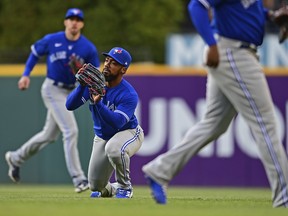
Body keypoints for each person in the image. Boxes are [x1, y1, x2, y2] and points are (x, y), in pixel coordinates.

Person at [142, 0, 288, 208]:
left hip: (236, 51)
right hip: (232, 52)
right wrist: (211, 44)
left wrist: (270, 16)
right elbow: (196, 5)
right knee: (266, 124)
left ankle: (159, 170)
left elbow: (244, 10)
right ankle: (285, 197)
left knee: (214, 124)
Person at [5, 8, 100, 193]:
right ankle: (79, 178)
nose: (74, 22)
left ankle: (16, 158)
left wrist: (86, 78)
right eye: (71, 18)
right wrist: (25, 75)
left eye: (78, 19)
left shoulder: (87, 48)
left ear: (82, 24)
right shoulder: (52, 39)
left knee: (48, 135)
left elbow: (95, 73)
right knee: (71, 131)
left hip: (70, 91)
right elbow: (34, 53)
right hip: (52, 89)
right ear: (65, 22)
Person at [66, 47, 144, 198]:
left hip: (128, 133)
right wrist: (82, 86)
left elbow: (117, 123)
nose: (107, 64)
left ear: (123, 70)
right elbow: (70, 106)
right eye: (107, 60)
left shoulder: (129, 94)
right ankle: (113, 190)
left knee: (114, 148)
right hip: (102, 136)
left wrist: (98, 104)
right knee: (96, 186)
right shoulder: (93, 82)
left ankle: (125, 187)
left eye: (114, 63)